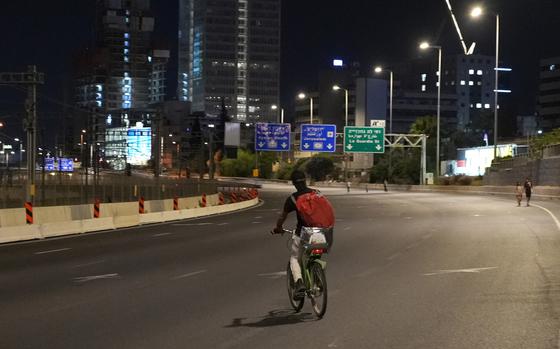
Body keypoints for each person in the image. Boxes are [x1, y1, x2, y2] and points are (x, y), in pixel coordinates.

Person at [273, 170, 333, 299]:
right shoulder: (317, 193)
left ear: (294, 183)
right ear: (305, 180)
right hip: (323, 232)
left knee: (294, 258)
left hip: (304, 233)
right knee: (316, 255)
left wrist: (278, 228)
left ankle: (299, 284)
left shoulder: (293, 199)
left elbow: (282, 217)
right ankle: (318, 275)